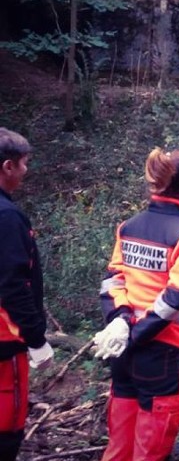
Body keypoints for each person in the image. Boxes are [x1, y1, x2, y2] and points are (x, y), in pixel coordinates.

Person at [95, 148, 179, 461]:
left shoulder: (128, 226)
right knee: (151, 449)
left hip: (125, 349)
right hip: (162, 353)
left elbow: (112, 282)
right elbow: (175, 297)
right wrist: (133, 332)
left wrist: (120, 320)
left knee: (119, 444)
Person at [0, 128, 53, 461]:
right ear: (7, 166)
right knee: (7, 424)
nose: (26, 171)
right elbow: (12, 284)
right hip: (5, 340)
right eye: (24, 163)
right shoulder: (7, 217)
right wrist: (35, 337)